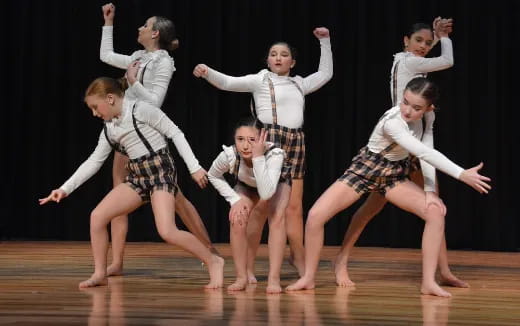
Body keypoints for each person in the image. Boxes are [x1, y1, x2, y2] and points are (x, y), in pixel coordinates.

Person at [286, 77, 491, 297]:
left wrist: (430, 192)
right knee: (316, 215)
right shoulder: (393, 121)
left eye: (416, 107)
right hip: (368, 168)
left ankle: (429, 282)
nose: (408, 110)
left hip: (394, 173)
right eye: (405, 102)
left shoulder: (428, 117)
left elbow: (426, 149)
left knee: (435, 212)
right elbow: (424, 153)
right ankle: (309, 277)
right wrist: (462, 174)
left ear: (429, 108)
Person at [39, 77, 224, 289]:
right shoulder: (109, 128)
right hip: (137, 175)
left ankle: (213, 261)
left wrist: (194, 166)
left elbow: (175, 132)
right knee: (97, 217)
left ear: (110, 98)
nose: (94, 113)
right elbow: (94, 161)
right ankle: (100, 273)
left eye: (95, 107)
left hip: (160, 171)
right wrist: (64, 188)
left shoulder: (141, 110)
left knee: (167, 230)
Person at [333, 18, 467, 288]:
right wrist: (444, 38)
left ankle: (443, 270)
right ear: (405, 41)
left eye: (428, 43)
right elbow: (448, 61)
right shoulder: (408, 61)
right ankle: (341, 259)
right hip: (395, 147)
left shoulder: (412, 64)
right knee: (371, 208)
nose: (423, 46)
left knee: (432, 205)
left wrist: (437, 39)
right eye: (418, 40)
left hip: (410, 147)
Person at [193, 27, 333, 279]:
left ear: (293, 61)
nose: (278, 58)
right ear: (267, 60)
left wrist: (325, 41)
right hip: (267, 140)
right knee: (259, 209)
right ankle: (246, 267)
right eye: (273, 54)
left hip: (295, 142)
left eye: (284, 54)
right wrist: (206, 72)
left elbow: (325, 73)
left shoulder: (299, 83)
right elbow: (227, 82)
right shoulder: (260, 80)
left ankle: (297, 256)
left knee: (293, 208)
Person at [100, 3, 218, 277]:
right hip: (126, 132)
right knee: (118, 195)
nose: (140, 28)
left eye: (145, 25)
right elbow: (105, 54)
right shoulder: (137, 56)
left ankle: (210, 251)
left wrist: (133, 82)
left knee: (178, 201)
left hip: (147, 135)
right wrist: (108, 22)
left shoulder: (163, 61)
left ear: (155, 34)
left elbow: (155, 102)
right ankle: (117, 261)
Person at [207, 117, 289, 293]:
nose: (245, 146)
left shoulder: (274, 155)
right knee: (237, 218)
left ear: (262, 138)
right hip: (246, 187)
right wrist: (234, 199)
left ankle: (274, 278)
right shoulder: (230, 155)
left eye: (252, 140)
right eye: (240, 139)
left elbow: (267, 192)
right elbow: (213, 175)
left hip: (274, 184)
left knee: (276, 219)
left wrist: (258, 157)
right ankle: (241, 276)